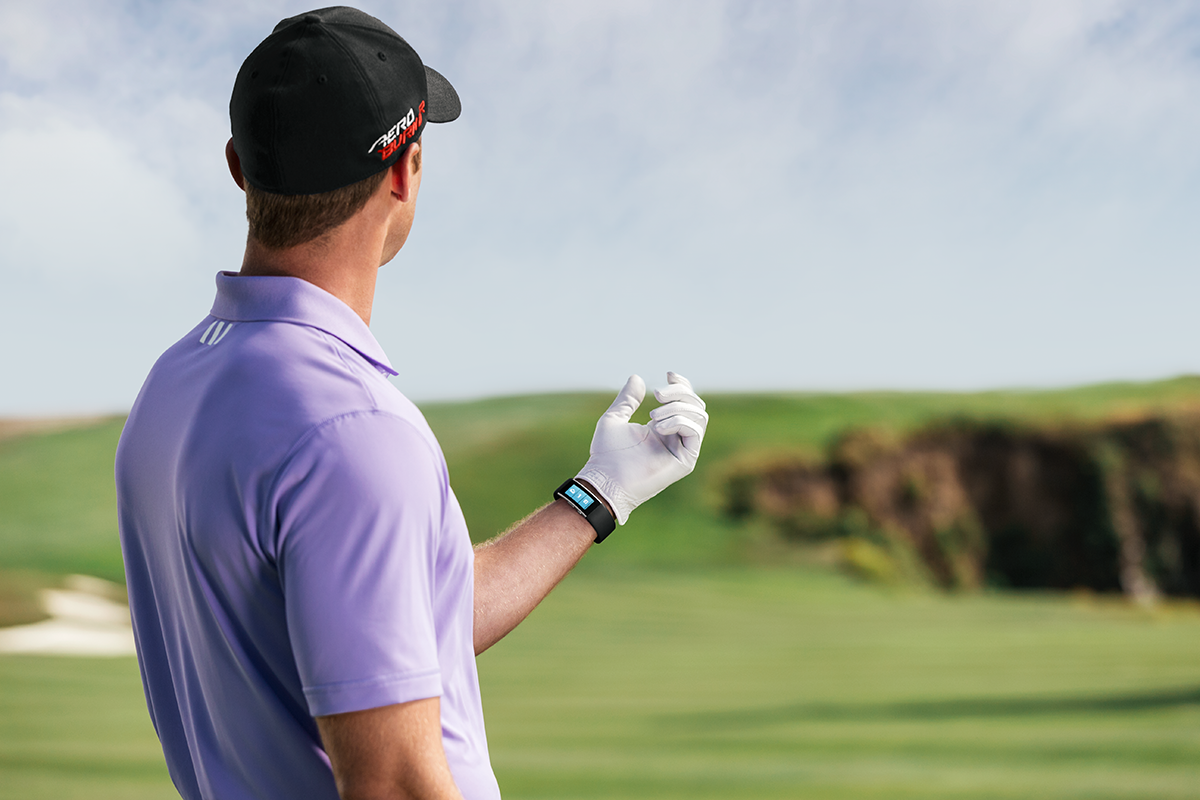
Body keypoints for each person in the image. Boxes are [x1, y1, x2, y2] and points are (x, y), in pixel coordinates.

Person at [114, 7, 708, 800]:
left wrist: (599, 494)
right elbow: (393, 783)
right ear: (403, 171)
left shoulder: (173, 384)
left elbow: (403, 627)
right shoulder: (353, 432)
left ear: (239, 167)